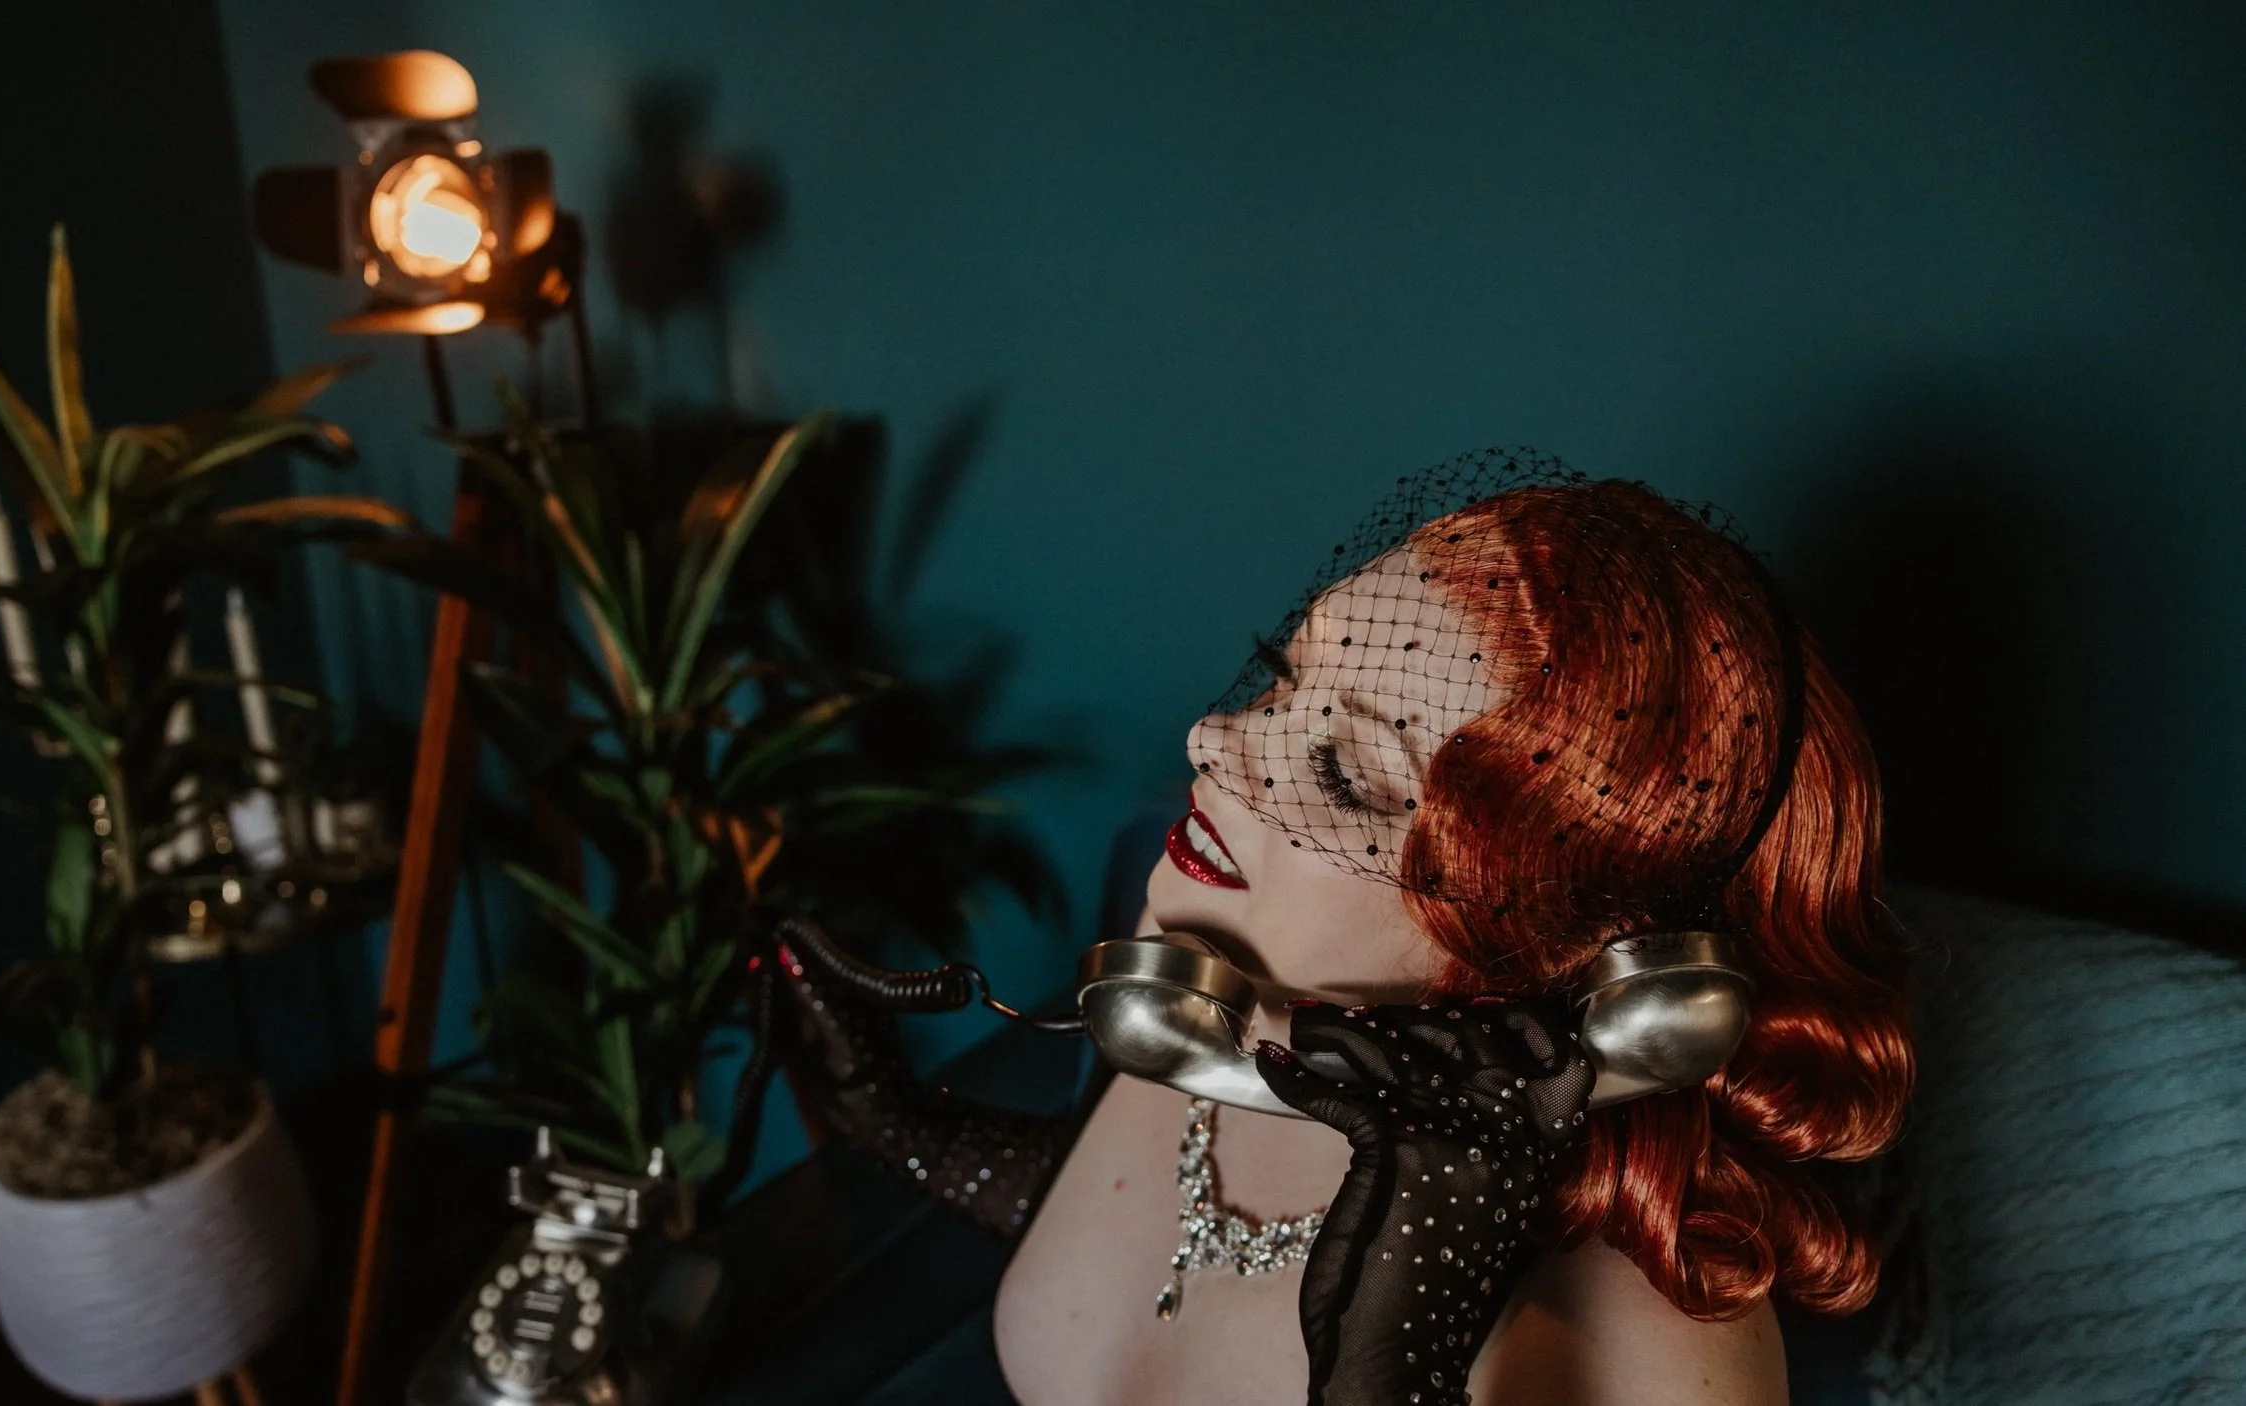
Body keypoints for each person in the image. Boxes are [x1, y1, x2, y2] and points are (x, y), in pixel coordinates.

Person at [763, 451, 1914, 1406]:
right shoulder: (1215, 998)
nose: (1215, 738)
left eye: (1342, 771)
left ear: (1558, 947)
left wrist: (1395, 1369)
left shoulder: (1663, 1348)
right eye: (1281, 677)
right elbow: (1148, 1258)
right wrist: (901, 1123)